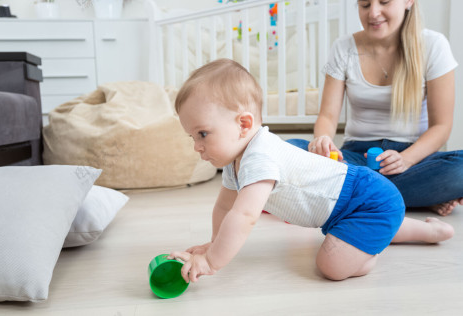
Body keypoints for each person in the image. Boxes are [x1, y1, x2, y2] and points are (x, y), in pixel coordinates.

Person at [168, 58, 454, 283]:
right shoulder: (235, 162)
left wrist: (212, 261)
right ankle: (427, 233)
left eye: (202, 134)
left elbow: (243, 216)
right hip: (351, 206)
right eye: (192, 137)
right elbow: (224, 208)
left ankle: (371, 247)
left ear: (243, 124)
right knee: (358, 231)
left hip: (366, 197)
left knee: (331, 266)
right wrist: (214, 244)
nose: (197, 146)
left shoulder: (259, 156)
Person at [287, 0, 463, 216]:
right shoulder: (343, 48)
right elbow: (327, 116)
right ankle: (417, 197)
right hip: (357, 158)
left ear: (408, 1)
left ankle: (352, 195)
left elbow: (441, 126)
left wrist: (405, 160)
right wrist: (322, 139)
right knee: (290, 150)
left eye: (384, 2)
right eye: (365, 5)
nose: (374, 13)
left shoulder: (434, 45)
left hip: (414, 159)